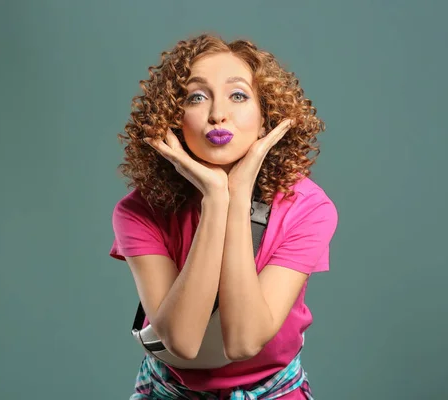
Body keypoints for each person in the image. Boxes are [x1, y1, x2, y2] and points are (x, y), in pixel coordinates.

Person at [110, 33, 338, 399]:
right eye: (196, 97)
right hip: (169, 391)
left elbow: (244, 341)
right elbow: (182, 341)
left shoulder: (307, 208)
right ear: (173, 120)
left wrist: (240, 193)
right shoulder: (139, 211)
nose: (218, 113)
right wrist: (217, 199)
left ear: (267, 118)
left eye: (238, 95)